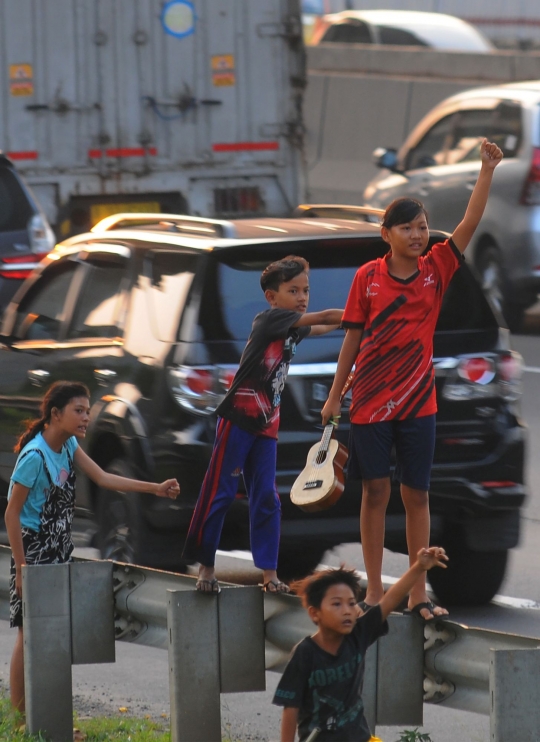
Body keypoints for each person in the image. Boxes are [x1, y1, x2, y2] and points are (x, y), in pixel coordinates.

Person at [321, 139, 503, 621]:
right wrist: (335, 397)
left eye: (422, 227)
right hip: (370, 404)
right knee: (375, 493)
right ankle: (378, 592)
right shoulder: (368, 278)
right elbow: (352, 341)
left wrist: (486, 170)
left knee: (417, 494)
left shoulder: (437, 270)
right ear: (387, 234)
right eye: (408, 228)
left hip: (419, 402)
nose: (419, 235)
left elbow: (468, 223)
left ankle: (419, 594)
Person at [4, 381, 180, 712]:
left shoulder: (68, 445)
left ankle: (49, 716)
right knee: (28, 636)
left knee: (54, 634)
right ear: (55, 415)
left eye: (87, 411)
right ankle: (19, 717)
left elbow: (103, 478)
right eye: (79, 411)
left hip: (58, 550)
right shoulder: (34, 457)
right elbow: (12, 515)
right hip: (33, 552)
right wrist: (22, 569)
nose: (86, 417)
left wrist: (154, 488)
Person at [183, 255, 343, 594]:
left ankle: (270, 576)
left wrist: (353, 324)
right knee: (221, 492)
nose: (302, 297)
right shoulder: (271, 319)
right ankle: (206, 568)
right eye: (293, 290)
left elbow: (327, 325)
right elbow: (328, 316)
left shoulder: (292, 328)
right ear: (272, 297)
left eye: (306, 290)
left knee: (267, 498)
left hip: (268, 423)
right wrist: (363, 312)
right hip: (240, 416)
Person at [273, 546, 448, 742]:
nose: (347, 610)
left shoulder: (358, 634)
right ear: (315, 613)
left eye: (351, 603)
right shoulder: (305, 653)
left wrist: (419, 567)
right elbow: (290, 709)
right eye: (337, 604)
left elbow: (390, 600)